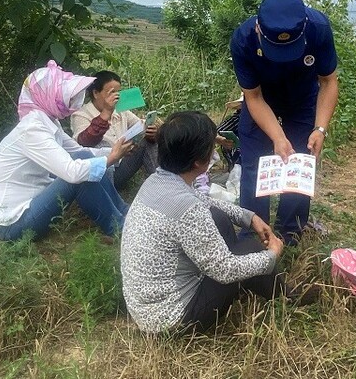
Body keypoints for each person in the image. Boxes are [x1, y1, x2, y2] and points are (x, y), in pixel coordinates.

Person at [120, 111, 286, 333]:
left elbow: (203, 199)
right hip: (173, 320)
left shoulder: (157, 180)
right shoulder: (188, 210)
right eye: (211, 146)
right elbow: (224, 270)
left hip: (148, 309)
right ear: (200, 161)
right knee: (249, 249)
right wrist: (270, 256)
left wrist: (249, 217)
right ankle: (287, 298)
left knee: (218, 217)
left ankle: (266, 287)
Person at [0, 61, 133, 241]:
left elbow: (79, 150)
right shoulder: (32, 129)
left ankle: (125, 214)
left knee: (83, 157)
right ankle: (120, 228)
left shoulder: (47, 122)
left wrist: (113, 151)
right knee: (77, 176)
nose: (69, 101)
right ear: (47, 96)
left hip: (28, 206)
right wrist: (110, 158)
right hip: (10, 224)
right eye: (61, 95)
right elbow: (72, 173)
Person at [229, 0, 339, 243]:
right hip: (262, 97)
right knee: (254, 162)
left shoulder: (319, 29)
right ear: (258, 28)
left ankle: (290, 231)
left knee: (300, 158)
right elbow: (253, 97)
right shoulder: (243, 40)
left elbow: (329, 81)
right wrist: (277, 136)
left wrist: (320, 128)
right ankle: (254, 234)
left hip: (302, 97)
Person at [70, 70, 158, 190]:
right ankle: (163, 183)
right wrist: (106, 113)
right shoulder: (81, 115)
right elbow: (84, 142)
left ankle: (163, 181)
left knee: (149, 140)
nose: (116, 96)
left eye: (118, 92)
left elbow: (140, 125)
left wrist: (150, 131)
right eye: (112, 92)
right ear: (96, 93)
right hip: (102, 173)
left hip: (121, 166)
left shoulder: (120, 110)